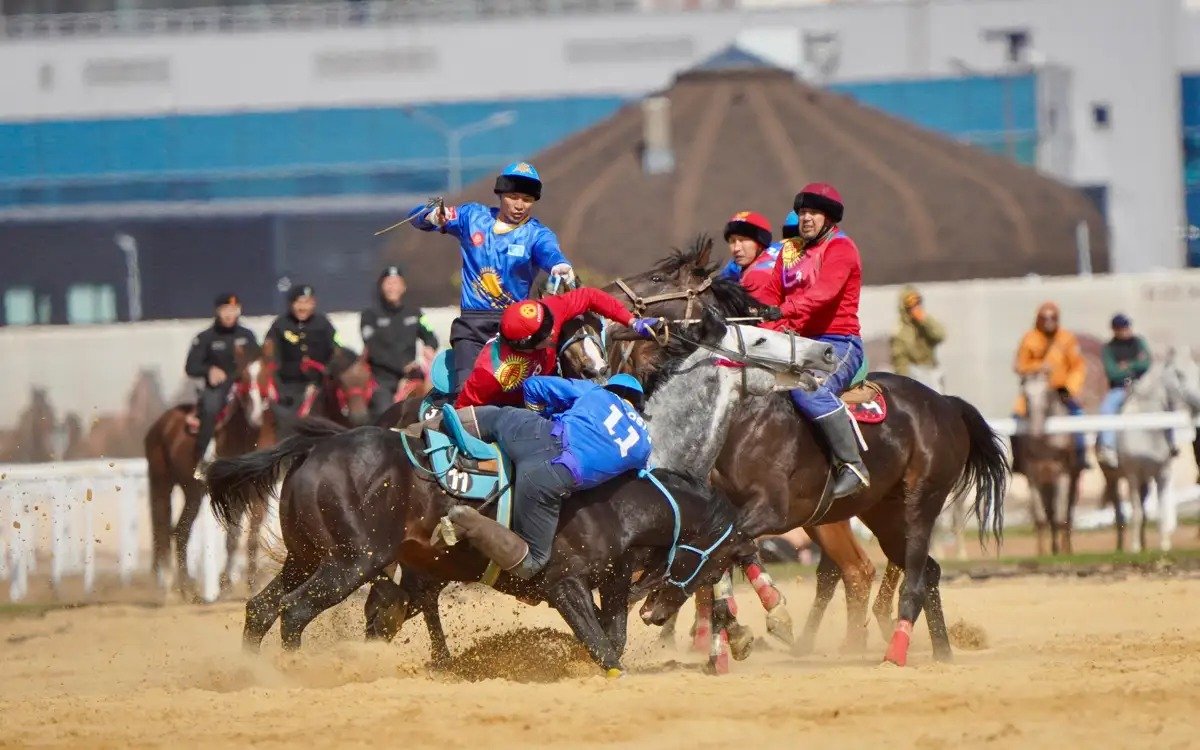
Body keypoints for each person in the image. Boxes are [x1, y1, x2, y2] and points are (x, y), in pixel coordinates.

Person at [446, 373, 652, 579]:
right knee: (534, 563)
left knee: (497, 416)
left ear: (611, 388)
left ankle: (426, 426)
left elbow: (533, 386)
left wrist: (543, 415)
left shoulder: (595, 391)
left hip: (532, 431)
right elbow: (637, 483)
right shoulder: (644, 444)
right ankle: (471, 523)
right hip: (549, 477)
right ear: (638, 406)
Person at [408, 162, 576, 395]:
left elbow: (549, 252)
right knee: (466, 392)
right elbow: (415, 217)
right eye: (513, 197)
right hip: (472, 327)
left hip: (516, 328)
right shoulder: (472, 217)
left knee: (519, 396)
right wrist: (433, 216)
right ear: (501, 194)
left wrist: (559, 264)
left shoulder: (536, 234)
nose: (519, 205)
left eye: (527, 199)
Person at [757, 183, 869, 499]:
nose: (805, 218)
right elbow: (769, 295)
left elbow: (822, 295)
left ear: (829, 217)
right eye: (802, 212)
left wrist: (781, 310)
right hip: (796, 343)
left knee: (811, 391)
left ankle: (852, 464)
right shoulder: (791, 251)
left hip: (838, 343)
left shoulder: (842, 248)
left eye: (813, 212)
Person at [455, 287, 661, 408]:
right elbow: (463, 409)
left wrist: (631, 321)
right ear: (524, 344)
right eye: (544, 332)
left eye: (549, 322)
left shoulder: (550, 310)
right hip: (512, 409)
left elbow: (590, 296)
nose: (552, 330)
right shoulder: (492, 372)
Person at [184, 293, 258, 476]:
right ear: (217, 311)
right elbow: (191, 366)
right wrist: (209, 370)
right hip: (219, 388)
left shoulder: (247, 336)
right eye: (225, 309)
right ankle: (202, 458)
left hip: (244, 385)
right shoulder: (205, 337)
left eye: (233, 309)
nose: (229, 314)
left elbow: (257, 360)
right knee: (210, 408)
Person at [1013, 301, 1089, 467]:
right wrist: (1039, 367)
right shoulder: (1029, 339)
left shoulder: (1066, 338)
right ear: (1038, 319)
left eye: (1052, 318)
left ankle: (1080, 457)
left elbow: (1078, 366)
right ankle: (1017, 461)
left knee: (1078, 416)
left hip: (1061, 390)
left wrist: (1070, 388)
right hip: (1035, 389)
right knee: (1016, 419)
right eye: (1044, 318)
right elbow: (1019, 366)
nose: (1049, 321)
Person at [360, 265, 439, 420]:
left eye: (396, 283)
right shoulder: (369, 316)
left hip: (412, 377)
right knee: (384, 412)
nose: (392, 287)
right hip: (382, 380)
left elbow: (430, 335)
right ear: (381, 286)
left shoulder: (415, 314)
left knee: (428, 408)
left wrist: (430, 346)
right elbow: (374, 349)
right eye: (388, 283)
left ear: (403, 287)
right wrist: (402, 366)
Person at [1096, 313, 1173, 466]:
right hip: (1120, 388)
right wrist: (1132, 366)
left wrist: (1127, 365)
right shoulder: (1109, 348)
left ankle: (1170, 442)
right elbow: (1112, 371)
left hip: (1142, 385)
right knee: (1107, 408)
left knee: (1165, 403)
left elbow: (1146, 363)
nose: (1125, 330)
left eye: (1126, 327)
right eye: (1121, 328)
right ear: (1114, 330)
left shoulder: (1139, 342)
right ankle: (1108, 446)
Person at [265, 284, 340, 416]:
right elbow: (271, 355)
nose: (303, 307)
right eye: (299, 302)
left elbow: (337, 350)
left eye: (307, 303)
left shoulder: (323, 323)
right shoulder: (280, 324)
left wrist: (327, 372)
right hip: (289, 387)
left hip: (320, 384)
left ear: (313, 304)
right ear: (291, 304)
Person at [889, 285, 947, 392]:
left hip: (931, 370)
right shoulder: (900, 331)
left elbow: (940, 335)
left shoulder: (925, 323)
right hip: (914, 374)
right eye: (910, 304)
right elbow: (900, 362)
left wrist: (925, 320)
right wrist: (904, 386)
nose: (915, 307)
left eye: (917, 302)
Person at [716, 210, 780, 303]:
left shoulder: (759, 276)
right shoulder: (736, 267)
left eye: (743, 240)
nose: (736, 248)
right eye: (732, 241)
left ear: (760, 243)